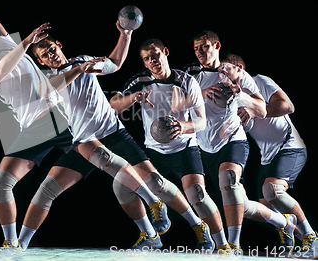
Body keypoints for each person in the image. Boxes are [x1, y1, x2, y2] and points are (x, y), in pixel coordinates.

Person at [0, 8, 165, 260]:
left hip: (57, 117)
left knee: (103, 158)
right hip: (32, 129)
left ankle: (153, 202)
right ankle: (12, 243)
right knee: (1, 183)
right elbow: (3, 69)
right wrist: (26, 42)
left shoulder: (6, 43)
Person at [16, 21, 208, 254]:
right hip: (83, 141)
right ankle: (19, 244)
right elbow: (49, 91)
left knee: (156, 182)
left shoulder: (84, 60)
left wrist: (125, 34)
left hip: (113, 133)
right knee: (46, 190)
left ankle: (198, 225)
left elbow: (115, 63)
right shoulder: (47, 78)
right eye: (44, 55)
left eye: (52, 50)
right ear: (41, 61)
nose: (50, 55)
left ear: (59, 45)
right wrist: (79, 69)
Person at [111, 38, 223, 252]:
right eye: (147, 58)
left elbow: (201, 121)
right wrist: (135, 97)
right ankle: (150, 235)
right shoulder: (140, 81)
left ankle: (220, 242)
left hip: (185, 147)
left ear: (165, 52)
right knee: (122, 186)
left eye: (155, 54)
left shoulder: (187, 81)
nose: (152, 60)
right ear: (144, 63)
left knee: (197, 195)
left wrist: (182, 126)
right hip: (154, 150)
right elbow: (112, 106)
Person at [221, 54, 316, 259]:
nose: (222, 75)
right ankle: (289, 227)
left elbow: (287, 106)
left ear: (239, 68)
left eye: (225, 69)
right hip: (267, 156)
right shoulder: (229, 96)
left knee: (272, 190)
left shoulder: (259, 81)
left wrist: (256, 111)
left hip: (289, 146)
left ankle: (311, 238)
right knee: (257, 209)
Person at [185, 30, 267, 252]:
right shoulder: (190, 74)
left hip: (233, 140)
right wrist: (202, 93)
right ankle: (284, 223)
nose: (200, 51)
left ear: (217, 45)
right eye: (196, 48)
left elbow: (262, 110)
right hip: (203, 145)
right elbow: (176, 103)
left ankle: (233, 244)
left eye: (204, 46)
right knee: (240, 201)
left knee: (228, 179)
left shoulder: (234, 72)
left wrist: (241, 95)